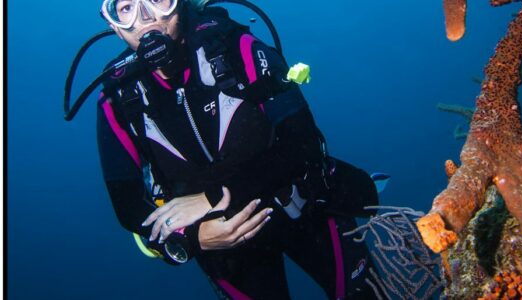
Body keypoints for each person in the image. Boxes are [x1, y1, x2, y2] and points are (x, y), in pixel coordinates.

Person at [93, 0, 379, 298]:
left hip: (304, 208)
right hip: (224, 248)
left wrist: (211, 198)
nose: (146, 18)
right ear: (113, 25)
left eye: (158, 0)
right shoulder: (118, 96)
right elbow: (127, 205)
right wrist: (195, 239)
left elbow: (303, 143)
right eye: (125, 8)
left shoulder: (235, 46)